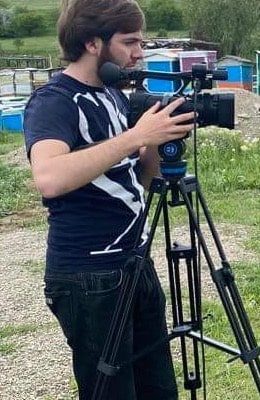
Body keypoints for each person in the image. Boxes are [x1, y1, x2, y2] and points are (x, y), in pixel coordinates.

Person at [23, 0, 196, 398]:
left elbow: (143, 181)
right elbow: (49, 177)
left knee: (157, 389)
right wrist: (136, 137)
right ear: (91, 43)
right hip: (88, 277)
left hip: (133, 264)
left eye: (141, 42)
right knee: (111, 392)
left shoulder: (114, 95)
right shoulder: (56, 101)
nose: (139, 53)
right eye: (130, 42)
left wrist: (158, 142)